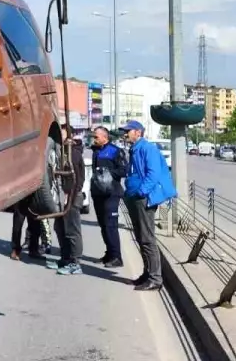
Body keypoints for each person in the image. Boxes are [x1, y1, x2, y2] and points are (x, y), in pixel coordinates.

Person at [121, 119, 176, 291]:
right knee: (140, 237)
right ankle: (147, 274)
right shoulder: (135, 149)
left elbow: (153, 173)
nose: (125, 133)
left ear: (138, 132)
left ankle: (155, 278)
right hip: (135, 197)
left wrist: (141, 192)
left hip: (144, 198)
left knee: (147, 238)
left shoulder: (147, 148)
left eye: (128, 131)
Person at [89, 126, 128, 268]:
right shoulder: (96, 150)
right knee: (103, 225)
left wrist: (108, 173)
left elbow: (124, 170)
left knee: (111, 225)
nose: (94, 139)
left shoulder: (115, 151)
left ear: (105, 137)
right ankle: (109, 254)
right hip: (98, 193)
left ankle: (117, 257)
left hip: (112, 193)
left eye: (97, 137)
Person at [49, 125, 85, 275]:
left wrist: (69, 197)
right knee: (60, 228)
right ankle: (65, 258)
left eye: (61, 133)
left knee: (72, 230)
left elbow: (77, 180)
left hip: (71, 196)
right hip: (61, 196)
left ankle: (75, 262)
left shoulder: (73, 154)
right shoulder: (61, 152)